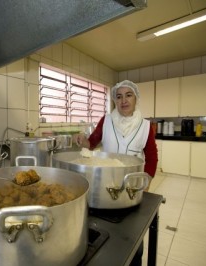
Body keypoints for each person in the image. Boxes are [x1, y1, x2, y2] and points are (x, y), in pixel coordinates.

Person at [73, 80, 158, 266]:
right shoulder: (107, 120)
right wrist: (82, 139)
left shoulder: (145, 127)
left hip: (132, 188)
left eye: (129, 95)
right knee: (108, 234)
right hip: (106, 185)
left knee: (134, 238)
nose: (123, 100)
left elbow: (152, 158)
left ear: (136, 99)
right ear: (114, 100)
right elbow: (92, 142)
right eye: (118, 96)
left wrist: (146, 182)